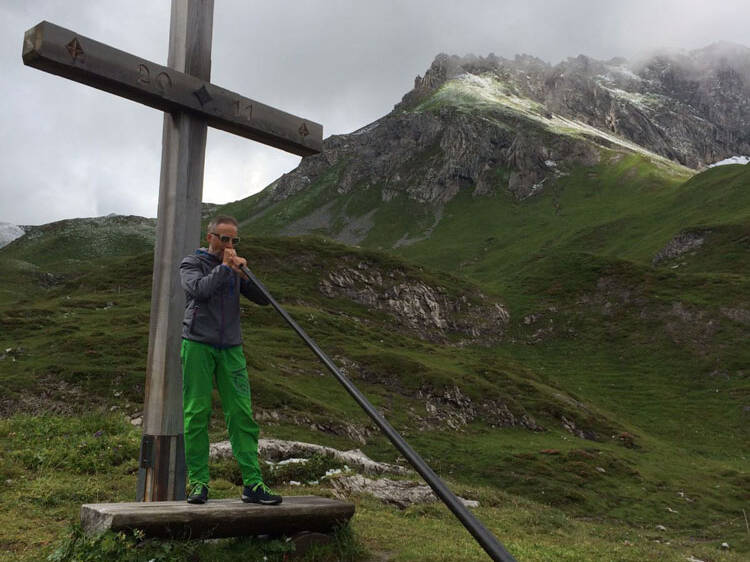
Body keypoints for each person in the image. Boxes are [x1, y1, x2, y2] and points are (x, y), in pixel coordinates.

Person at [179, 214, 281, 505]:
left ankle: (253, 483)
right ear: (209, 237)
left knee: (241, 414)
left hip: (231, 347)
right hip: (198, 343)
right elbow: (198, 291)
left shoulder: (234, 268)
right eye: (224, 239)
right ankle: (198, 483)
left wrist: (245, 275)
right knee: (197, 413)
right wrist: (225, 269)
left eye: (234, 240)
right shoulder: (191, 263)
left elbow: (264, 299)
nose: (229, 245)